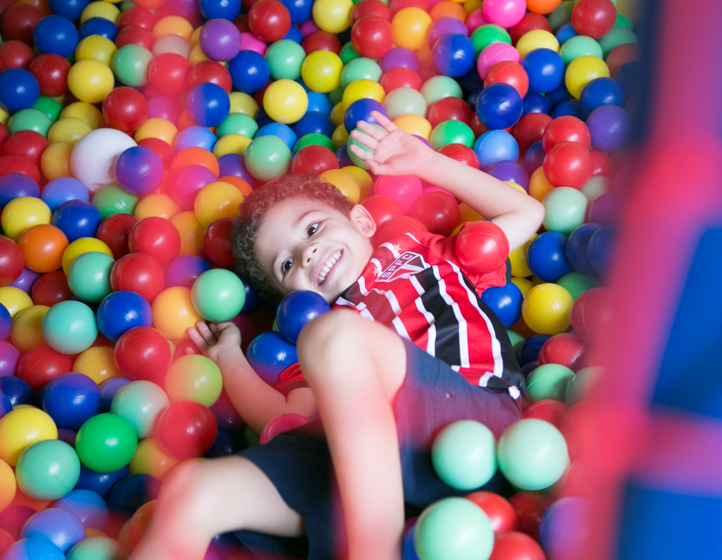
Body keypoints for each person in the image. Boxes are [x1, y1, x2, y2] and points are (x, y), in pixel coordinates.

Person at [129, 112, 545, 560]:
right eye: (286, 266)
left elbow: (526, 211)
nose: (306, 252)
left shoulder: (426, 255)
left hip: (479, 430)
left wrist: (428, 164)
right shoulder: (312, 336)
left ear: (363, 222)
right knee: (191, 489)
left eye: (312, 228)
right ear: (290, 296)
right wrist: (228, 358)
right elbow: (284, 415)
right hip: (369, 483)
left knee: (336, 337)